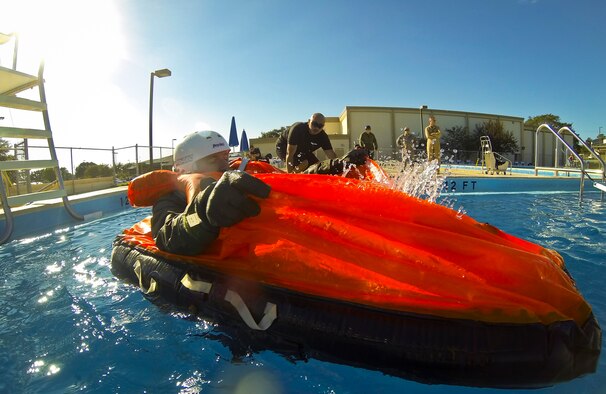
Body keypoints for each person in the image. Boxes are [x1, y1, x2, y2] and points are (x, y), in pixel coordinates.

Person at [152, 131, 271, 256]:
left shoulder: (238, 184)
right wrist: (201, 214)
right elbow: (165, 236)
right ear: (187, 167)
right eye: (212, 159)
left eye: (225, 156)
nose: (224, 164)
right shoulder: (171, 198)